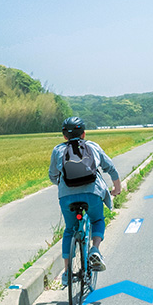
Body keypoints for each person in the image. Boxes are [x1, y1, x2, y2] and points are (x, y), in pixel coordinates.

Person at [49, 116, 122, 287]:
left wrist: (62, 185)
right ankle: (95, 249)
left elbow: (53, 175)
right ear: (83, 134)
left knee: (69, 230)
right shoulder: (93, 146)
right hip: (93, 193)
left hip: (66, 196)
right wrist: (116, 188)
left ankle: (67, 273)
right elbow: (110, 168)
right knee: (97, 220)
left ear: (64, 136)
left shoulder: (58, 150)